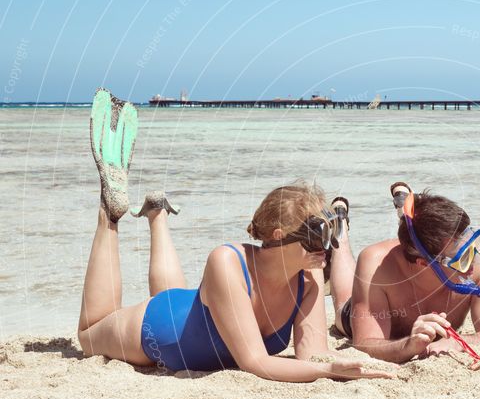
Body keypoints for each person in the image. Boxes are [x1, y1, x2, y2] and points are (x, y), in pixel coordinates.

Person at [77, 88, 393, 382]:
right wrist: (326, 370)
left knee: (178, 294)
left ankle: (157, 213)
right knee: (89, 335)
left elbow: (312, 355)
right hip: (157, 332)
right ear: (280, 235)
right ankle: (109, 215)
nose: (326, 247)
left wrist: (339, 366)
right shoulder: (227, 261)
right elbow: (254, 362)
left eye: (330, 232)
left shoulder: (307, 280)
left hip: (193, 310)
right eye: (317, 235)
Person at [327, 182, 480, 364]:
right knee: (342, 305)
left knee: (423, 238)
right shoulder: (376, 264)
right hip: (369, 306)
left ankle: (407, 211)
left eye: (472, 244)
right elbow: (365, 343)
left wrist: (459, 343)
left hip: (423, 252)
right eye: (460, 258)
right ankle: (339, 228)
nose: (472, 262)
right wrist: (409, 345)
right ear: (424, 263)